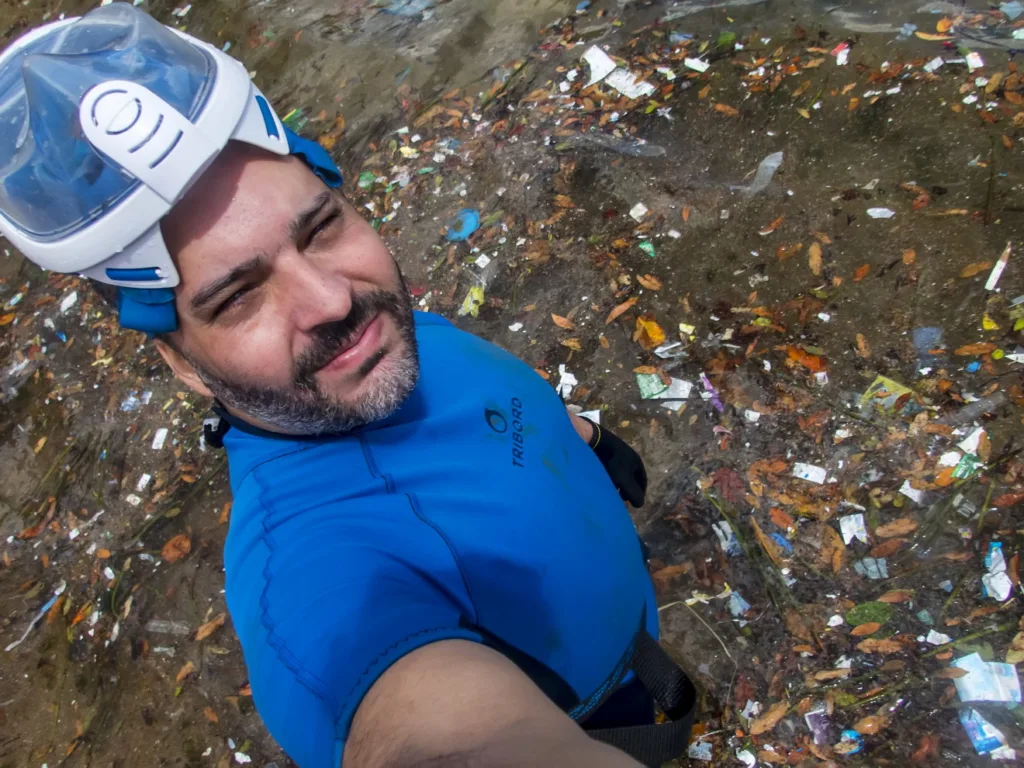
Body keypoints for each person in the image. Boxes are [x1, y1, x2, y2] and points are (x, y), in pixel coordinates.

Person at [0, 6, 696, 767]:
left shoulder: (375, 343)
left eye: (319, 227)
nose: (333, 300)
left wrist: (584, 437)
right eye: (237, 297)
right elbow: (435, 733)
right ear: (185, 366)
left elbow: (480, 398)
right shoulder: (314, 578)